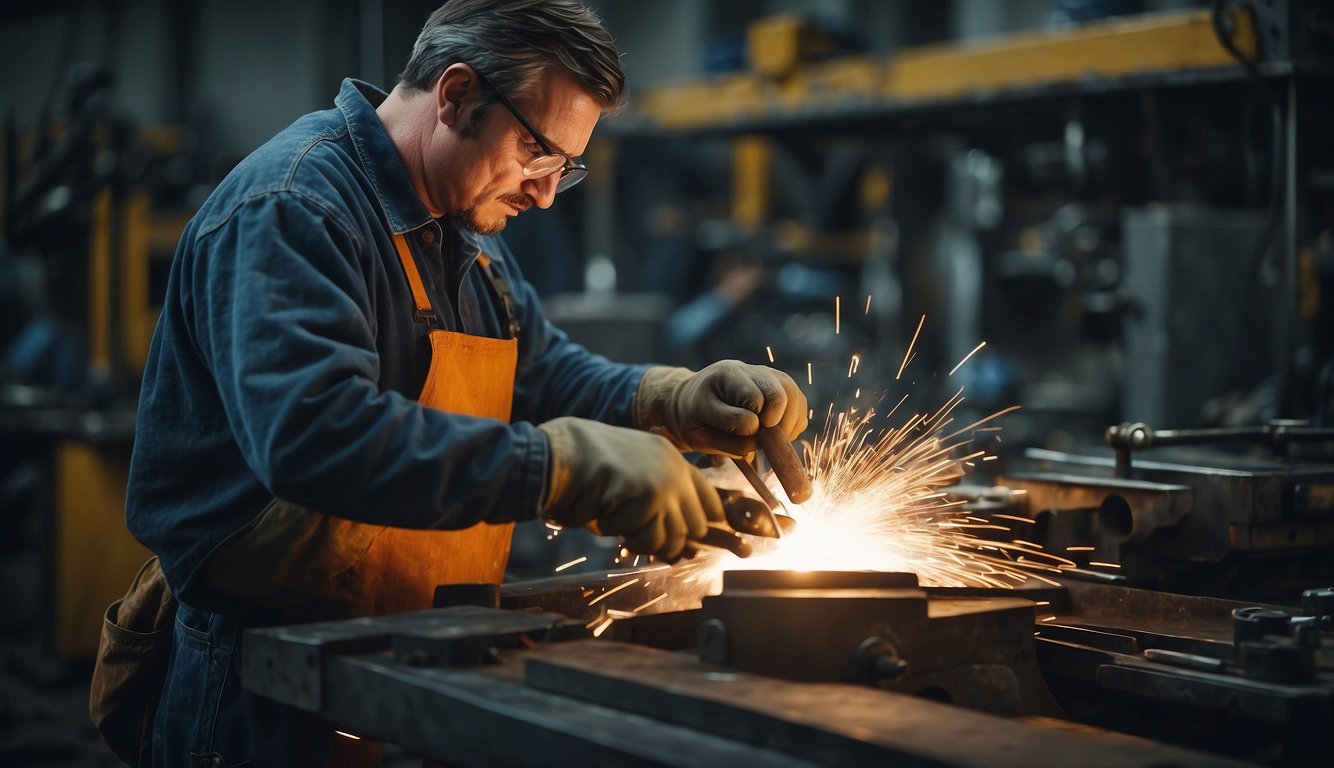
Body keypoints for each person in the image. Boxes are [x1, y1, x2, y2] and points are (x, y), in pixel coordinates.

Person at [114, 0, 808, 765]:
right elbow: (316, 437)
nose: (545, 192)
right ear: (455, 96)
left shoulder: (461, 225)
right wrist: (562, 467)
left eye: (564, 168)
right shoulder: (294, 208)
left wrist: (667, 398)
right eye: (537, 151)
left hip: (414, 649)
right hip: (265, 691)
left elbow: (540, 370)